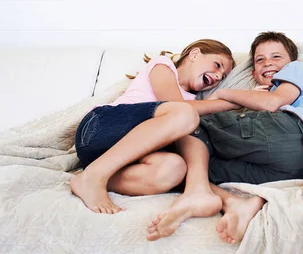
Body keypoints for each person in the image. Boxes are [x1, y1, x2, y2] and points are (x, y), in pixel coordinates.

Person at [146, 31, 303, 245]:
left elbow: (274, 102)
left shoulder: (298, 69)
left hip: (296, 130)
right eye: (260, 60)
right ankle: (235, 204)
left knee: (187, 122)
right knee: (193, 166)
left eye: (276, 57)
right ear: (254, 72)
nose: (267, 63)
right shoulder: (258, 96)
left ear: (291, 63)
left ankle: (191, 190)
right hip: (298, 167)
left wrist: (223, 94)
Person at [70, 39, 237, 215]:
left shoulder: (193, 103)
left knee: (173, 169)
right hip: (99, 129)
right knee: (185, 115)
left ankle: (88, 177)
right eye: (217, 65)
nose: (218, 76)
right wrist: (229, 103)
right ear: (194, 54)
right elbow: (176, 104)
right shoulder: (163, 66)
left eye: (223, 76)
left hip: (112, 158)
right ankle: (96, 176)